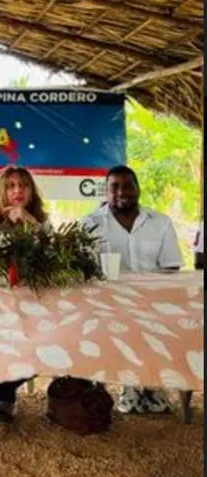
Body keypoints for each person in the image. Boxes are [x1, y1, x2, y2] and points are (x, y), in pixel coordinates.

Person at [82, 164, 183, 415]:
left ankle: (149, 389)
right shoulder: (90, 225)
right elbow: (82, 270)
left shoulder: (160, 223)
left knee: (158, 323)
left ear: (138, 189)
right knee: (116, 324)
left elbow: (171, 268)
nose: (121, 192)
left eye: (127, 185)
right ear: (105, 192)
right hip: (106, 304)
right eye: (114, 187)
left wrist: (152, 299)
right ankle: (130, 390)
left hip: (153, 302)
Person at [0, 166, 50, 424]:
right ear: (2, 192)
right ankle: (4, 399)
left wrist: (30, 222)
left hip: (36, 303)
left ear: (31, 191)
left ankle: (0, 394)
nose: (17, 191)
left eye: (23, 186)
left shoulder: (42, 221)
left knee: (43, 341)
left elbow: (54, 257)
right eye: (11, 186)